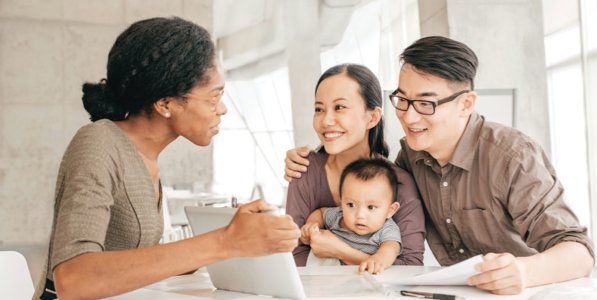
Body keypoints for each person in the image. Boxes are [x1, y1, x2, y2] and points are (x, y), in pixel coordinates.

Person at [284, 36, 595, 295]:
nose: (408, 116)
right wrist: (308, 157)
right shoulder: (409, 159)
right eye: (402, 100)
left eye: (426, 103)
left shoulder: (512, 156)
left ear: (466, 104)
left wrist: (524, 271)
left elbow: (579, 252)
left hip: (530, 293)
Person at [34, 17, 300, 300]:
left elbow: (136, 264)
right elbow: (74, 278)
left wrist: (231, 234)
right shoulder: (99, 144)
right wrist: (225, 241)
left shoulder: (147, 158)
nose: (221, 109)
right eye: (213, 97)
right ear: (165, 103)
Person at [285, 63, 426, 267]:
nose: (326, 120)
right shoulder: (303, 170)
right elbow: (293, 258)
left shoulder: (399, 183)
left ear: (372, 117)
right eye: (319, 109)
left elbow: (410, 268)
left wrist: (341, 251)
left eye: (339, 107)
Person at [300, 158, 403, 274]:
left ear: (390, 210)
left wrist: (377, 260)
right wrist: (310, 225)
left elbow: (391, 250)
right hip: (323, 277)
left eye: (371, 207)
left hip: (360, 280)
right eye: (351, 205)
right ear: (342, 201)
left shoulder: (386, 230)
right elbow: (320, 212)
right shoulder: (338, 216)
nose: (360, 215)